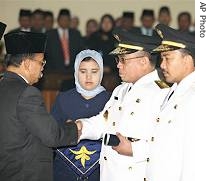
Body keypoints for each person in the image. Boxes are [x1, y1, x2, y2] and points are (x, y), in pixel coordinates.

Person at [76, 30, 169, 181]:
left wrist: (134, 149)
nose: (118, 65)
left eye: (123, 60)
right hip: (111, 172)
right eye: (117, 60)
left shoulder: (161, 93)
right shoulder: (122, 89)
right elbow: (105, 121)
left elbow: (170, 143)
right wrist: (81, 126)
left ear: (143, 61)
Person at [0, 31, 82, 181]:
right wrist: (75, 128)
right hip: (24, 174)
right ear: (27, 63)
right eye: (41, 62)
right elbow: (52, 135)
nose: (43, 67)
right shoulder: (27, 93)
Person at [51, 49, 111, 181]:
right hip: (65, 169)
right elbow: (52, 133)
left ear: (101, 73)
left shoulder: (110, 100)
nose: (88, 77)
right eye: (83, 72)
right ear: (75, 72)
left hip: (100, 170)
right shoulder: (63, 99)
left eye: (94, 72)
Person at [146, 24, 195, 181]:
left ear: (187, 60)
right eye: (162, 58)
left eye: (167, 58)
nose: (161, 65)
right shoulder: (174, 90)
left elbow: (195, 159)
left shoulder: (196, 97)